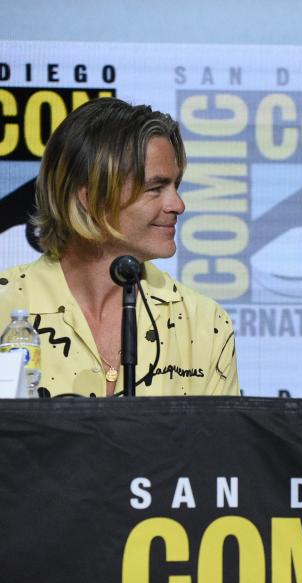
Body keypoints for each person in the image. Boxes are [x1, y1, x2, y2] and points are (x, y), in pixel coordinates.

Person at [0, 97, 239, 397]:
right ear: (89, 198)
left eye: (176, 186)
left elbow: (221, 444)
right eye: (155, 188)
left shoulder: (204, 323)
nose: (178, 205)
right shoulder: (5, 305)